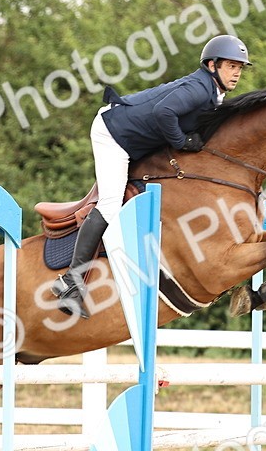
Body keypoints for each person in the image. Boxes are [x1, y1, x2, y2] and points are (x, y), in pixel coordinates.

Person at [52, 34, 253, 318]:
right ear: (212, 65)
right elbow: (164, 112)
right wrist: (182, 142)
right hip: (114, 135)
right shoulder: (199, 88)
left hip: (137, 137)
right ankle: (70, 283)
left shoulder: (211, 92)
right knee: (110, 204)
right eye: (232, 65)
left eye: (240, 68)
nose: (237, 73)